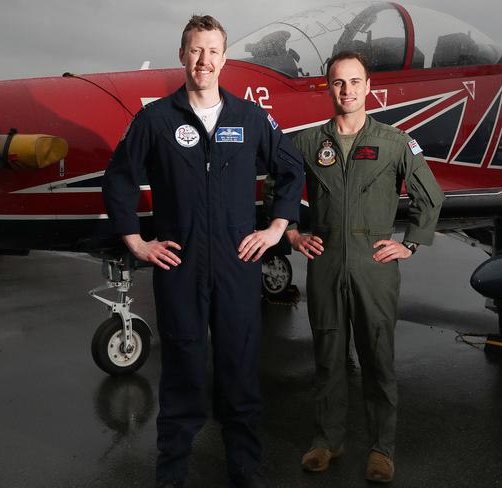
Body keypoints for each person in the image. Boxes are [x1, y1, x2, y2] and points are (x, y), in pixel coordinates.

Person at [102, 15, 304, 488]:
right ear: (182, 55)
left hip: (238, 265)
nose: (204, 60)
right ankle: (170, 475)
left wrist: (276, 228)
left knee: (239, 372)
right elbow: (118, 178)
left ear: (225, 58)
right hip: (180, 267)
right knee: (182, 374)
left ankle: (245, 471)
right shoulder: (156, 119)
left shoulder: (250, 118)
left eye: (213, 51)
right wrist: (135, 240)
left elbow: (291, 168)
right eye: (195, 50)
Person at [282, 51, 444, 483]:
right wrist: (293, 235)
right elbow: (276, 191)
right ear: (328, 87)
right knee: (328, 356)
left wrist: (410, 244)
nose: (347, 91)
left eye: (355, 82)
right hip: (326, 260)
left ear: (368, 87)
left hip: (374, 263)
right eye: (338, 83)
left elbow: (431, 195)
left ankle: (381, 449)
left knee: (378, 359)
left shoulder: (395, 142)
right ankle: (327, 440)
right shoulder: (306, 143)